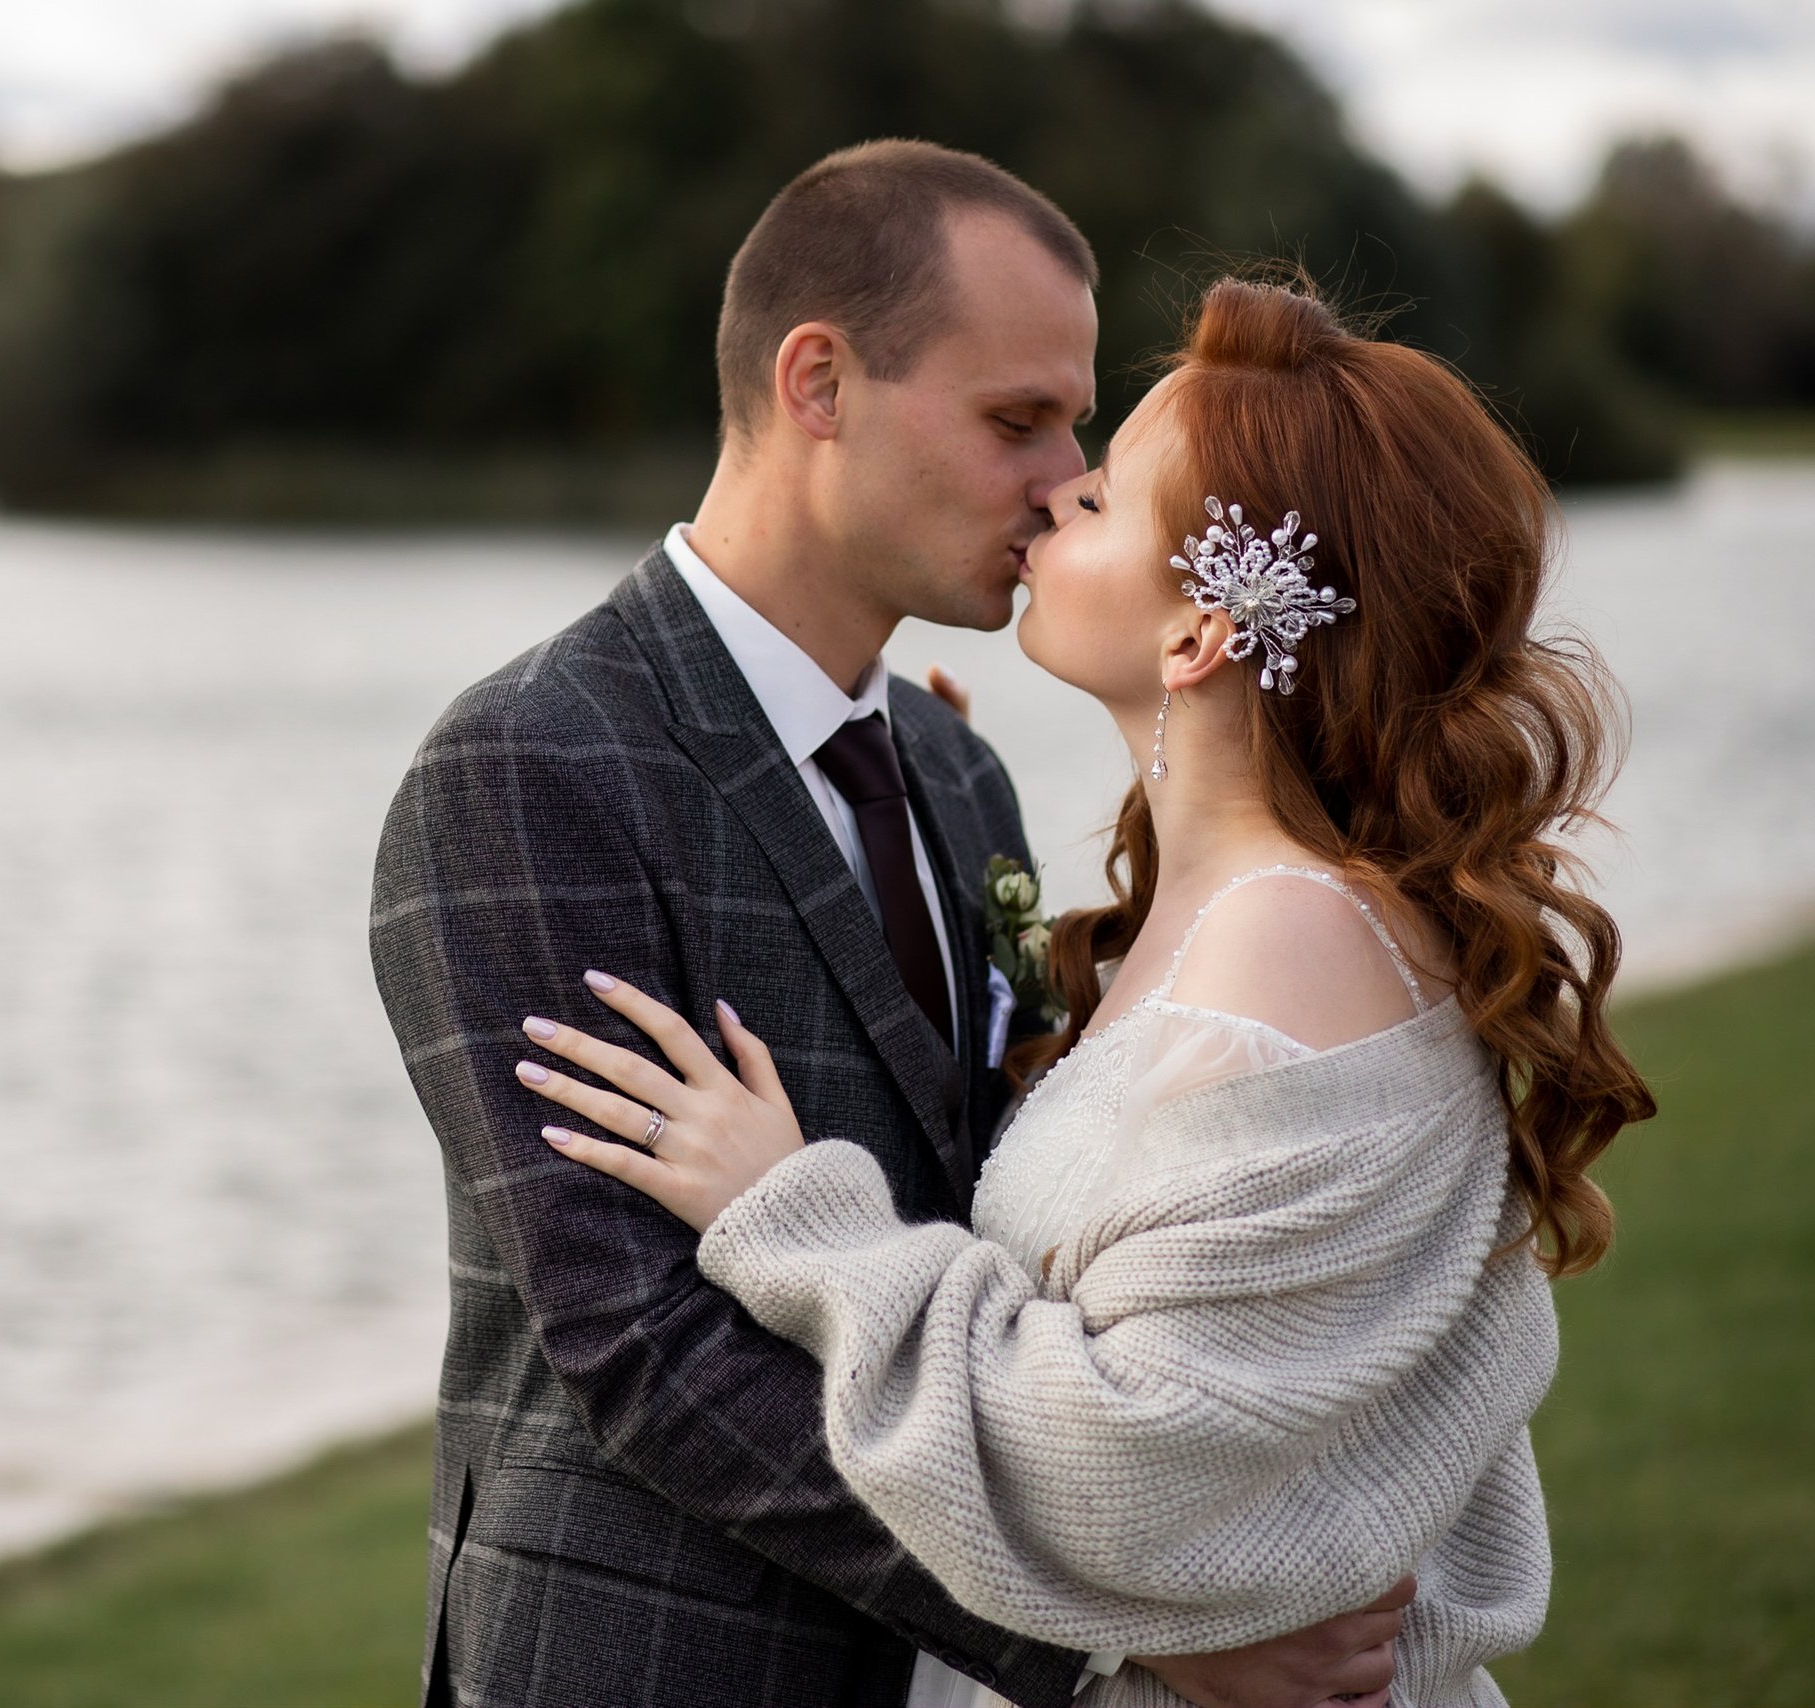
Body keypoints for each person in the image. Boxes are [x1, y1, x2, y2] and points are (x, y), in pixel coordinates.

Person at [371, 141, 1417, 1708]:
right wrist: (1121, 1625)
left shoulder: (953, 768)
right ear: (818, 384)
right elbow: (639, 1349)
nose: (1069, 478)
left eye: (1080, 428)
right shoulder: (531, 765)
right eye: (1018, 420)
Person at [512, 276, 1658, 1705]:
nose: (1055, 497)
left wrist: (796, 1212)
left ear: (1198, 638)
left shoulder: (1286, 951)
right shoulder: (1240, 904)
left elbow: (1126, 1451)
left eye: (1106, 494)